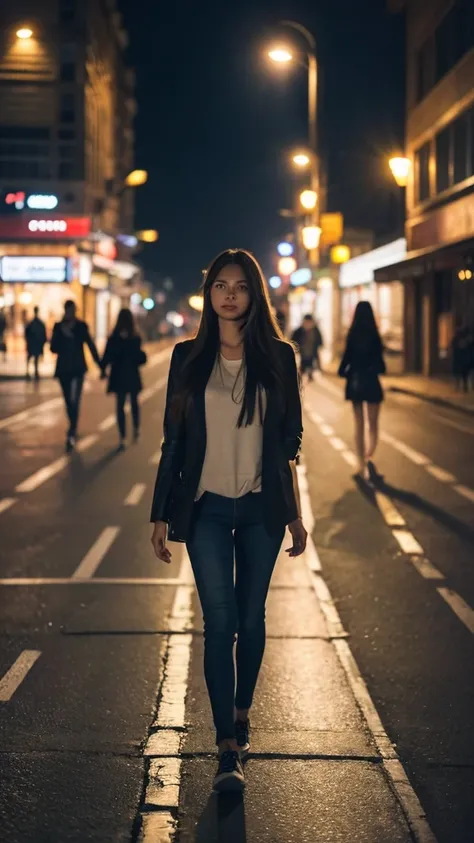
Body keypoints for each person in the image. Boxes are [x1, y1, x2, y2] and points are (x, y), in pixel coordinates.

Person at [150, 248, 307, 793]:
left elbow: (291, 441)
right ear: (209, 293)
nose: (230, 294)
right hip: (208, 508)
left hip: (262, 508)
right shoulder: (187, 357)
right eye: (221, 284)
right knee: (220, 623)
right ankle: (226, 746)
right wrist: (159, 512)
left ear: (253, 294)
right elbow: (174, 439)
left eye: (240, 285)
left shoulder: (279, 358)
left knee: (252, 617)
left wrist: (295, 515)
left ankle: (243, 708)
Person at [338, 301, 385, 476]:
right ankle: (369, 455)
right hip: (372, 383)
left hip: (356, 383)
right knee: (373, 424)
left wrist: (344, 371)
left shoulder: (352, 334)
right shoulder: (375, 335)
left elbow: (345, 361)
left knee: (359, 425)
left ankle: (360, 463)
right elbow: (381, 364)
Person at [50, 299, 101, 451]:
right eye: (69, 310)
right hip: (64, 369)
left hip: (78, 367)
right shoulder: (58, 327)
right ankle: (72, 426)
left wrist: (100, 364)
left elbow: (90, 345)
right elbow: (53, 347)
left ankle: (72, 429)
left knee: (76, 399)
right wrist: (62, 338)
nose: (70, 312)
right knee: (68, 400)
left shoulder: (80, 326)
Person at [101, 308, 147, 449]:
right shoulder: (136, 337)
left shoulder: (114, 337)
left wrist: (102, 369)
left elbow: (107, 355)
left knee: (120, 405)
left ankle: (122, 437)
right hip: (132, 374)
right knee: (134, 403)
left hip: (118, 374)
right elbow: (140, 357)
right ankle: (136, 429)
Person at [292, 314, 323, 380]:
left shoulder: (315, 330)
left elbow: (319, 340)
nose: (308, 324)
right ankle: (302, 375)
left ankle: (310, 375)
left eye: (309, 322)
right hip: (302, 352)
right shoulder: (299, 331)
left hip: (312, 351)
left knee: (311, 363)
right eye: (306, 322)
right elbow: (293, 340)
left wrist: (320, 345)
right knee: (303, 364)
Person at [25, 307, 47, 380]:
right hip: (34, 343)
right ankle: (33, 372)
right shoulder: (36, 323)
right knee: (33, 358)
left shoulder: (34, 323)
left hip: (34, 343)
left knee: (33, 358)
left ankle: (34, 372)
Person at [451, 325, 471, 392]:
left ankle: (463, 387)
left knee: (463, 374)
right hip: (460, 359)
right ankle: (460, 386)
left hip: (462, 360)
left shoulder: (465, 340)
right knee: (459, 374)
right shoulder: (457, 339)